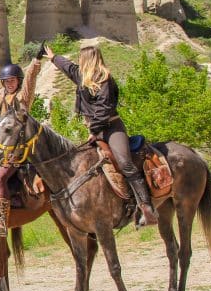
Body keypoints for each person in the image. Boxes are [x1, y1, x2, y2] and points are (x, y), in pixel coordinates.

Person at [45, 43, 158, 227]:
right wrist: (53, 57)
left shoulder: (104, 79)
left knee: (124, 163)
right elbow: (69, 68)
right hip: (95, 129)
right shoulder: (82, 77)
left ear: (89, 60)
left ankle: (146, 207)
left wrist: (95, 131)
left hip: (111, 128)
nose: (78, 62)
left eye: (81, 58)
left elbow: (104, 109)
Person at [0, 51, 42, 237]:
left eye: (13, 80)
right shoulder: (0, 94)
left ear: (18, 81)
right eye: (6, 81)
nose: (9, 83)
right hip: (0, 146)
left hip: (18, 149)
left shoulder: (24, 97)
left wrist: (36, 61)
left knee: (1, 176)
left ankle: (2, 220)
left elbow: (31, 79)